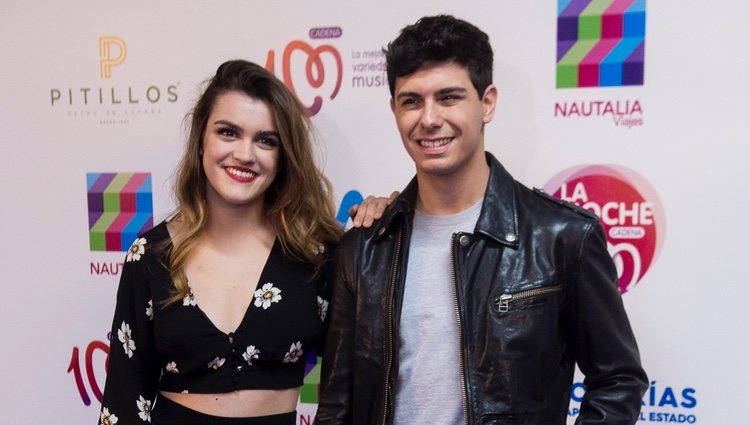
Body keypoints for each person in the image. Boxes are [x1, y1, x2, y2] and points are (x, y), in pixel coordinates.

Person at [317, 15, 648, 425]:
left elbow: (618, 382)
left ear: (487, 102)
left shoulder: (562, 236)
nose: (429, 119)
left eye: (449, 97)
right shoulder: (364, 247)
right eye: (411, 101)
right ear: (394, 110)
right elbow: (335, 404)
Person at [98, 59, 390, 425]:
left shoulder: (316, 255)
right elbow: (124, 402)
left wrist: (395, 215)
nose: (245, 154)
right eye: (228, 132)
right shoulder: (151, 257)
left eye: (265, 140)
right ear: (201, 138)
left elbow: (365, 375)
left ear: (283, 157)